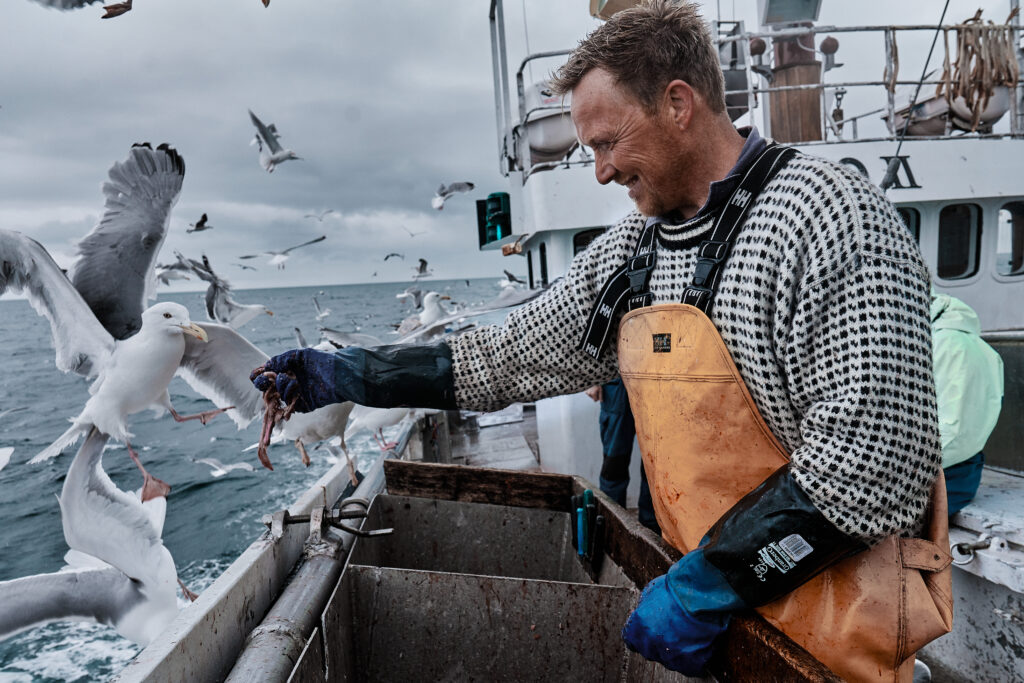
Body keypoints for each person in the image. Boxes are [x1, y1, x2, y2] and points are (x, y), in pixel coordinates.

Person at [251, 1, 942, 677]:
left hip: (828, 635)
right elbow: (504, 357)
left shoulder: (827, 215)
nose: (602, 171)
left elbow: (873, 466)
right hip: (716, 631)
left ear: (678, 104)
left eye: (608, 143)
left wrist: (709, 584)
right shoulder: (633, 253)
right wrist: (345, 374)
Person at [931, 290, 1004, 516]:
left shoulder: (945, 344)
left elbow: (952, 428)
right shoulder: (984, 348)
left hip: (941, 477)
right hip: (965, 471)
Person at [584, 380, 660, 534]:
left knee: (654, 465)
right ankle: (613, 528)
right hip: (617, 383)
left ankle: (651, 533)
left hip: (654, 379)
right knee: (614, 465)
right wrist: (592, 380)